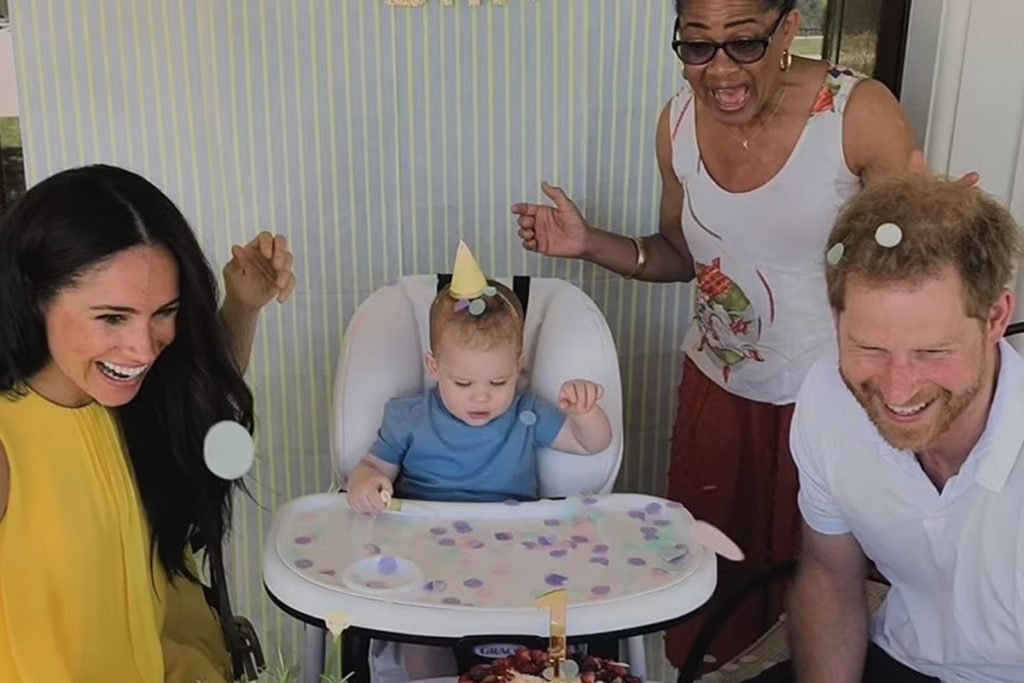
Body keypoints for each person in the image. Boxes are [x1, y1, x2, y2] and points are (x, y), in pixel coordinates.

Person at [510, 0, 925, 665]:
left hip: (832, 404)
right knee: (715, 603)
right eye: (697, 46)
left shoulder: (856, 117)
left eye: (744, 44)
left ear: (788, 28)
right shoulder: (675, 124)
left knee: (829, 595)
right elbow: (681, 254)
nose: (719, 70)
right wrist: (590, 244)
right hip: (718, 397)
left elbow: (914, 268)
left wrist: (939, 241)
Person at [0, 164, 295, 683]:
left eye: (165, 311)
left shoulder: (118, 395)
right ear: (33, 298)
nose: (143, 348)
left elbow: (196, 388)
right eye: (111, 317)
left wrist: (244, 307)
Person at [752, 174, 1024, 682]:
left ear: (995, 319)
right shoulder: (828, 399)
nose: (898, 392)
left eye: (932, 352)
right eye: (870, 349)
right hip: (901, 658)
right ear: (837, 320)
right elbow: (830, 576)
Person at [346, 242, 613, 681]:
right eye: (464, 381)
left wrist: (586, 413)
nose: (482, 395)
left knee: (536, 626)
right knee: (420, 628)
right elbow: (371, 468)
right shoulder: (407, 417)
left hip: (513, 550)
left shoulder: (527, 414)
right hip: (425, 550)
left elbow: (592, 445)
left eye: (499, 380)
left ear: (519, 367)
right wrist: (367, 485)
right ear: (434, 366)